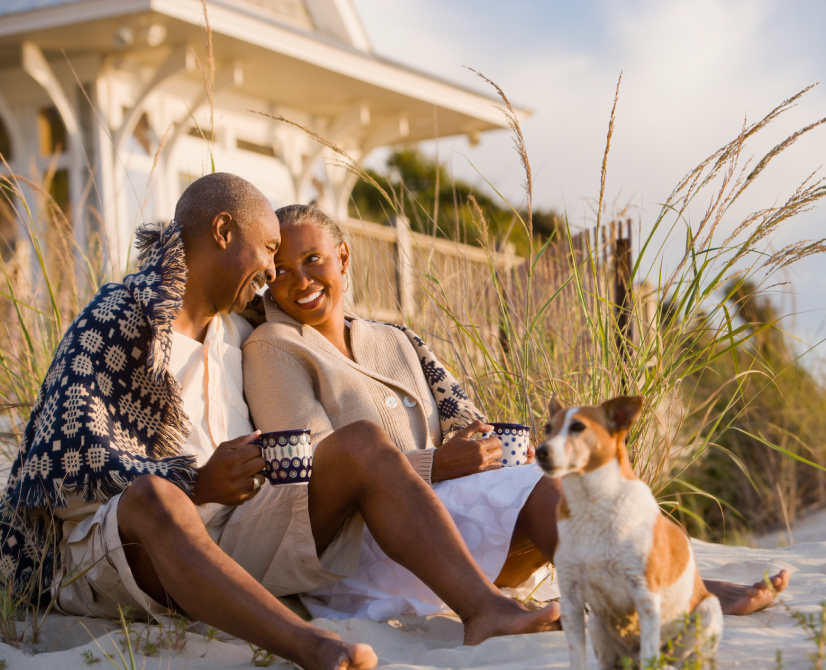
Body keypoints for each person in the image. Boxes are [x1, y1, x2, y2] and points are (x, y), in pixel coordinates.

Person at [0, 174, 561, 670]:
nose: (273, 272)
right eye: (269, 249)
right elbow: (62, 467)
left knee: (360, 444)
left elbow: (322, 320)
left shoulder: (236, 332)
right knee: (156, 498)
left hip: (236, 530)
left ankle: (484, 610)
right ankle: (311, 648)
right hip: (123, 548)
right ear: (222, 231)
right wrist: (195, 483)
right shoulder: (122, 317)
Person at [242, 203, 790, 622]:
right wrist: (441, 465)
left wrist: (483, 446)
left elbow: (466, 419)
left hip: (448, 529)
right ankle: (666, 595)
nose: (300, 280)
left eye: (313, 259)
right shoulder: (275, 345)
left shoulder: (395, 338)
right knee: (539, 491)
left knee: (560, 483)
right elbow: (315, 470)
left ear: (343, 258)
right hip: (366, 546)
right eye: (282, 270)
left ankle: (671, 583)